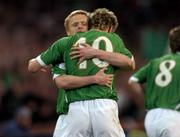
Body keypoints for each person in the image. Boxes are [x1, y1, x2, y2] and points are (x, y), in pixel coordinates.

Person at [28, 8, 135, 137]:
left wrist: (95, 52)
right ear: (67, 31)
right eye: (75, 24)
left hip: (79, 111)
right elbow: (60, 81)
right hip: (70, 111)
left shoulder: (98, 46)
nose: (80, 26)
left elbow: (33, 66)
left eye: (84, 24)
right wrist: (94, 78)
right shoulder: (63, 51)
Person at [128, 26, 180, 137]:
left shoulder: (155, 62)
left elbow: (132, 81)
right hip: (172, 116)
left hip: (151, 117)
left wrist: (143, 101)